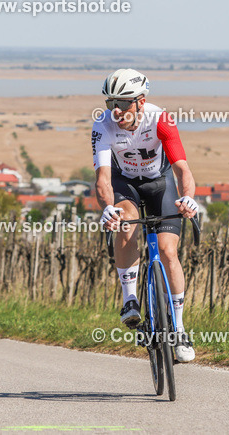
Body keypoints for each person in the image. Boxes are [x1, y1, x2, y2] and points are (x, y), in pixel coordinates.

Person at [92, 68, 199, 363]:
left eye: (122, 103)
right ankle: (130, 299)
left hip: (159, 183)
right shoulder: (103, 125)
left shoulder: (160, 119)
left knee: (168, 251)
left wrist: (188, 197)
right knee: (125, 224)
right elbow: (103, 178)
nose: (116, 110)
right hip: (124, 184)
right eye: (111, 103)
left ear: (140, 101)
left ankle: (179, 329)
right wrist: (107, 208)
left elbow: (182, 169)